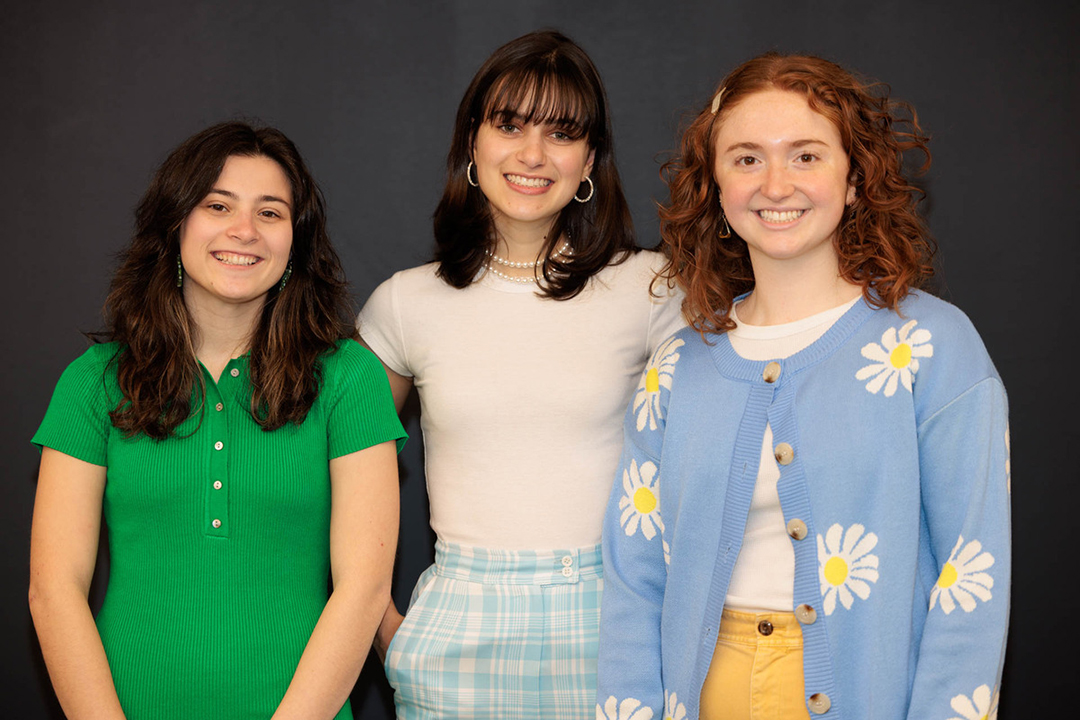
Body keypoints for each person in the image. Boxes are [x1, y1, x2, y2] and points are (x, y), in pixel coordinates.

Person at [596, 53, 1010, 720]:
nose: (776, 184)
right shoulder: (676, 368)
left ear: (854, 180)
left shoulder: (931, 347)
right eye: (747, 159)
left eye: (807, 156)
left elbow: (971, 575)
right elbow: (634, 583)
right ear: (716, 188)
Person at [28, 122, 406, 720]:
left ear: (296, 241)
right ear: (175, 223)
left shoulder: (349, 379)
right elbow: (54, 592)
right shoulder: (93, 382)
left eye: (270, 212)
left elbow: (364, 591)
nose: (244, 230)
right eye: (218, 205)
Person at [358, 30, 684, 720]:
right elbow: (341, 475)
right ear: (471, 143)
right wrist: (386, 628)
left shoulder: (652, 289)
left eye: (561, 133)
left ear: (589, 159)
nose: (533, 154)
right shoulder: (404, 303)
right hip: (454, 633)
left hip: (612, 629)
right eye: (509, 125)